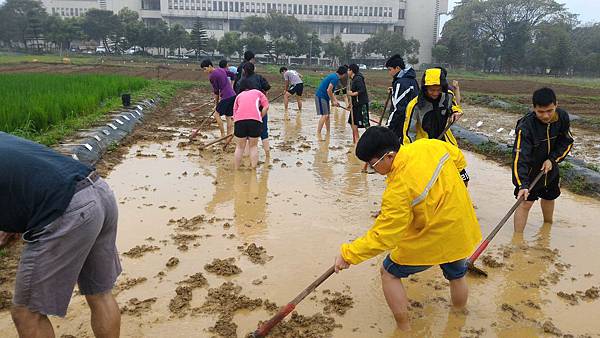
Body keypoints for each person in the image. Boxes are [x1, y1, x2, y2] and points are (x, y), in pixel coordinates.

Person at [333, 126, 481, 331]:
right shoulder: (430, 145)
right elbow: (459, 159)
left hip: (435, 234)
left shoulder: (398, 189)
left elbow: (384, 237)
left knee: (388, 272)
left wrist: (348, 255)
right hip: (460, 225)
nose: (370, 168)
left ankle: (403, 329)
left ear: (389, 156)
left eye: (372, 164)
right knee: (457, 274)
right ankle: (457, 318)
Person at [0, 132, 121, 338]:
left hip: (68, 209)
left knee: (27, 313)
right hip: (98, 189)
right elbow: (21, 179)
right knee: (100, 294)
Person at [512, 87, 574, 233]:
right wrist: (522, 184)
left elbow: (566, 142)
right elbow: (520, 158)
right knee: (525, 203)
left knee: (549, 196)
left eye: (549, 111)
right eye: (540, 112)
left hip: (550, 168)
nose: (546, 116)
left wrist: (552, 160)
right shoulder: (526, 126)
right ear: (534, 108)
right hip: (531, 171)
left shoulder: (562, 117)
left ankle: (547, 228)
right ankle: (517, 240)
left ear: (556, 105)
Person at [402, 67, 462, 146]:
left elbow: (453, 106)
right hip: (425, 145)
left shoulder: (448, 96)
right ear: (425, 88)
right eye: (432, 90)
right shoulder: (414, 105)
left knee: (455, 157)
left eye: (439, 90)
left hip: (445, 141)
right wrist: (410, 152)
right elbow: (409, 132)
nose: (435, 93)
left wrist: (455, 112)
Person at [238, 62, 272, 157]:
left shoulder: (241, 81)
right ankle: (268, 155)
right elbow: (267, 87)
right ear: (254, 69)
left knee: (248, 136)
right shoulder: (259, 78)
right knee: (264, 132)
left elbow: (238, 97)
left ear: (244, 70)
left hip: (245, 112)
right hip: (260, 109)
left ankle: (247, 157)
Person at [384, 54, 419, 142]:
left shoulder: (400, 83)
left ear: (397, 68)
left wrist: (388, 126)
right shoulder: (413, 80)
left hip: (401, 124)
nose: (389, 72)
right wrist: (394, 91)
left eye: (390, 69)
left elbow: (398, 109)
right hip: (413, 122)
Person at [233, 87, 269, 169]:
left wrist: (237, 122)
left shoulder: (239, 95)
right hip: (255, 121)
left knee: (239, 147)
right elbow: (266, 106)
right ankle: (253, 170)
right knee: (253, 146)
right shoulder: (259, 93)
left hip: (239, 121)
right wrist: (260, 116)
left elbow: (234, 111)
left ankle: (236, 169)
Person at [201, 59, 236, 137]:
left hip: (226, 97)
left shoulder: (212, 76)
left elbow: (216, 92)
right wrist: (232, 86)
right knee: (228, 116)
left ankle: (223, 134)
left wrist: (216, 104)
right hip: (233, 95)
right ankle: (229, 135)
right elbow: (233, 75)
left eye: (205, 69)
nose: (204, 71)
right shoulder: (221, 70)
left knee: (216, 115)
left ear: (210, 66)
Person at [315, 65, 348, 136]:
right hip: (321, 96)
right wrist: (333, 101)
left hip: (325, 97)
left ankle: (328, 132)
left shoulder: (334, 76)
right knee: (325, 115)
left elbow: (331, 92)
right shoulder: (335, 78)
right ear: (344, 74)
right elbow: (328, 90)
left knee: (327, 116)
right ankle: (318, 133)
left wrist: (335, 100)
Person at [347, 64, 370, 143]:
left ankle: (372, 139)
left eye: (348, 70)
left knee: (365, 124)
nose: (347, 72)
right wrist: (350, 103)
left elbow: (361, 90)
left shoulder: (358, 79)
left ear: (351, 71)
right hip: (355, 105)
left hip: (361, 104)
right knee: (352, 122)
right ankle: (356, 140)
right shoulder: (352, 79)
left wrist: (352, 94)